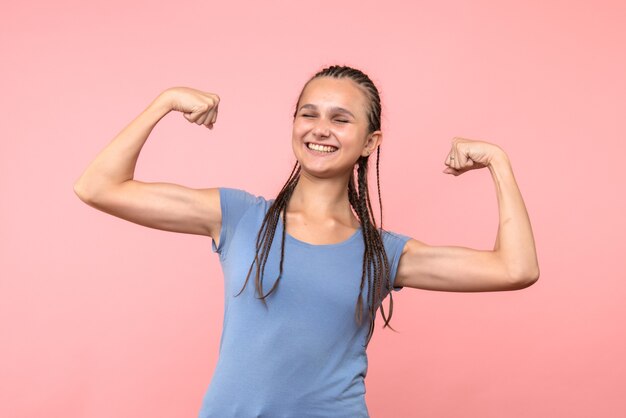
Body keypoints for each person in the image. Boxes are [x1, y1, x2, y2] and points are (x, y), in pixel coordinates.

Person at [74, 65, 539, 418]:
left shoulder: (384, 254)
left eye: (341, 119)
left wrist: (498, 161)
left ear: (370, 141)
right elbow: (98, 187)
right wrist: (166, 101)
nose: (320, 128)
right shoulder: (238, 216)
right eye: (308, 114)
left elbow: (515, 269)